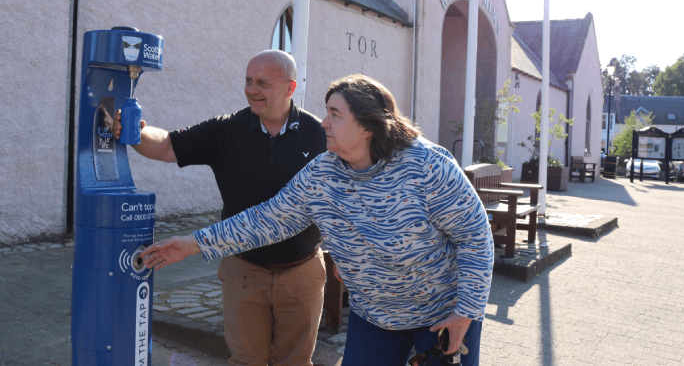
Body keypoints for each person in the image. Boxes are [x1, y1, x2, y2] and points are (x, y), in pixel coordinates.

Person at [141, 74, 494, 366]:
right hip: (373, 318)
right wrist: (193, 243)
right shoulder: (322, 173)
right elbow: (267, 220)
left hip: (441, 316)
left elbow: (476, 238)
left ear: (368, 126)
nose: (324, 121)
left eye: (335, 114)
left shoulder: (427, 166)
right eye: (326, 112)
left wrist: (467, 312)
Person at [114, 50, 328, 366]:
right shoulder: (227, 129)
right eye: (248, 81)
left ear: (290, 88)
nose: (251, 89)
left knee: (295, 362)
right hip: (244, 271)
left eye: (262, 83)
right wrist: (135, 132)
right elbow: (167, 145)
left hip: (302, 270)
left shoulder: (319, 134)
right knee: (245, 361)